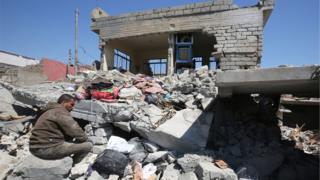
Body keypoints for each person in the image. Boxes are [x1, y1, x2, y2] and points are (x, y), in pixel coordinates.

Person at [29, 94, 92, 163]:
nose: (73, 107)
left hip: (34, 147)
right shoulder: (60, 111)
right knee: (88, 146)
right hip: (46, 149)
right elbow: (74, 129)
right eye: (71, 104)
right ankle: (72, 164)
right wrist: (86, 139)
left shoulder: (50, 110)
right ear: (64, 102)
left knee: (70, 139)